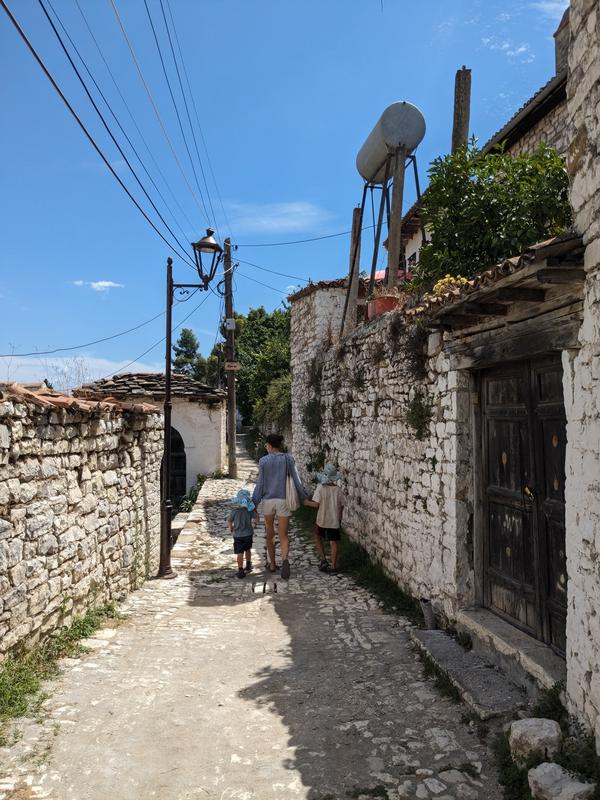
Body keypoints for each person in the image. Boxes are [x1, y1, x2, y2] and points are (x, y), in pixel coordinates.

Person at [251, 433, 308, 579]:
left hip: (268, 501)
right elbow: (296, 480)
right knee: (283, 534)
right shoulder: (288, 459)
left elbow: (260, 484)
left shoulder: (263, 461)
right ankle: (285, 560)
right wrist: (303, 497)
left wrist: (254, 502)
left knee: (269, 534)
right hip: (283, 500)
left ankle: (271, 564)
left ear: (269, 445)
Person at [304, 463, 344, 574]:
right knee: (334, 542)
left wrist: (307, 503)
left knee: (317, 537)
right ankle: (333, 566)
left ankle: (323, 559)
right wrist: (340, 518)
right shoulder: (338, 490)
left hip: (322, 519)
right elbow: (341, 506)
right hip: (334, 520)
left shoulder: (320, 488)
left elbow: (316, 504)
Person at [227, 489, 258, 579]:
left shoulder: (234, 511)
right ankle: (248, 564)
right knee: (248, 549)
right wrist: (255, 523)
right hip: (248, 534)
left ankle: (240, 570)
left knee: (239, 553)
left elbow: (229, 520)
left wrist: (231, 528)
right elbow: (256, 518)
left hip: (238, 535)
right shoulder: (249, 511)